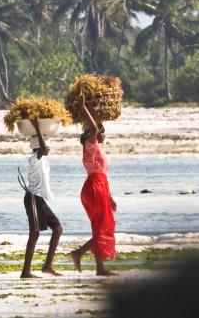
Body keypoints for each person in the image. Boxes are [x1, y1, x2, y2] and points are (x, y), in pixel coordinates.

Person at [69, 98, 117, 276]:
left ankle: (98, 267)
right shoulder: (90, 147)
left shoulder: (98, 151)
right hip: (94, 188)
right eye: (101, 133)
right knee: (100, 227)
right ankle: (81, 255)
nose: (103, 135)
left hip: (100, 187)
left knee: (102, 227)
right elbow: (94, 128)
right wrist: (82, 108)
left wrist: (110, 197)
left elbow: (104, 174)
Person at [19, 118, 63, 279]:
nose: (48, 147)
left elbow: (44, 150)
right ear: (39, 147)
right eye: (45, 144)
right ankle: (25, 272)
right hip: (33, 199)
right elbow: (43, 149)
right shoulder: (34, 159)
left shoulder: (43, 160)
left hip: (39, 200)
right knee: (34, 234)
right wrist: (37, 127)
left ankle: (47, 266)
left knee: (58, 228)